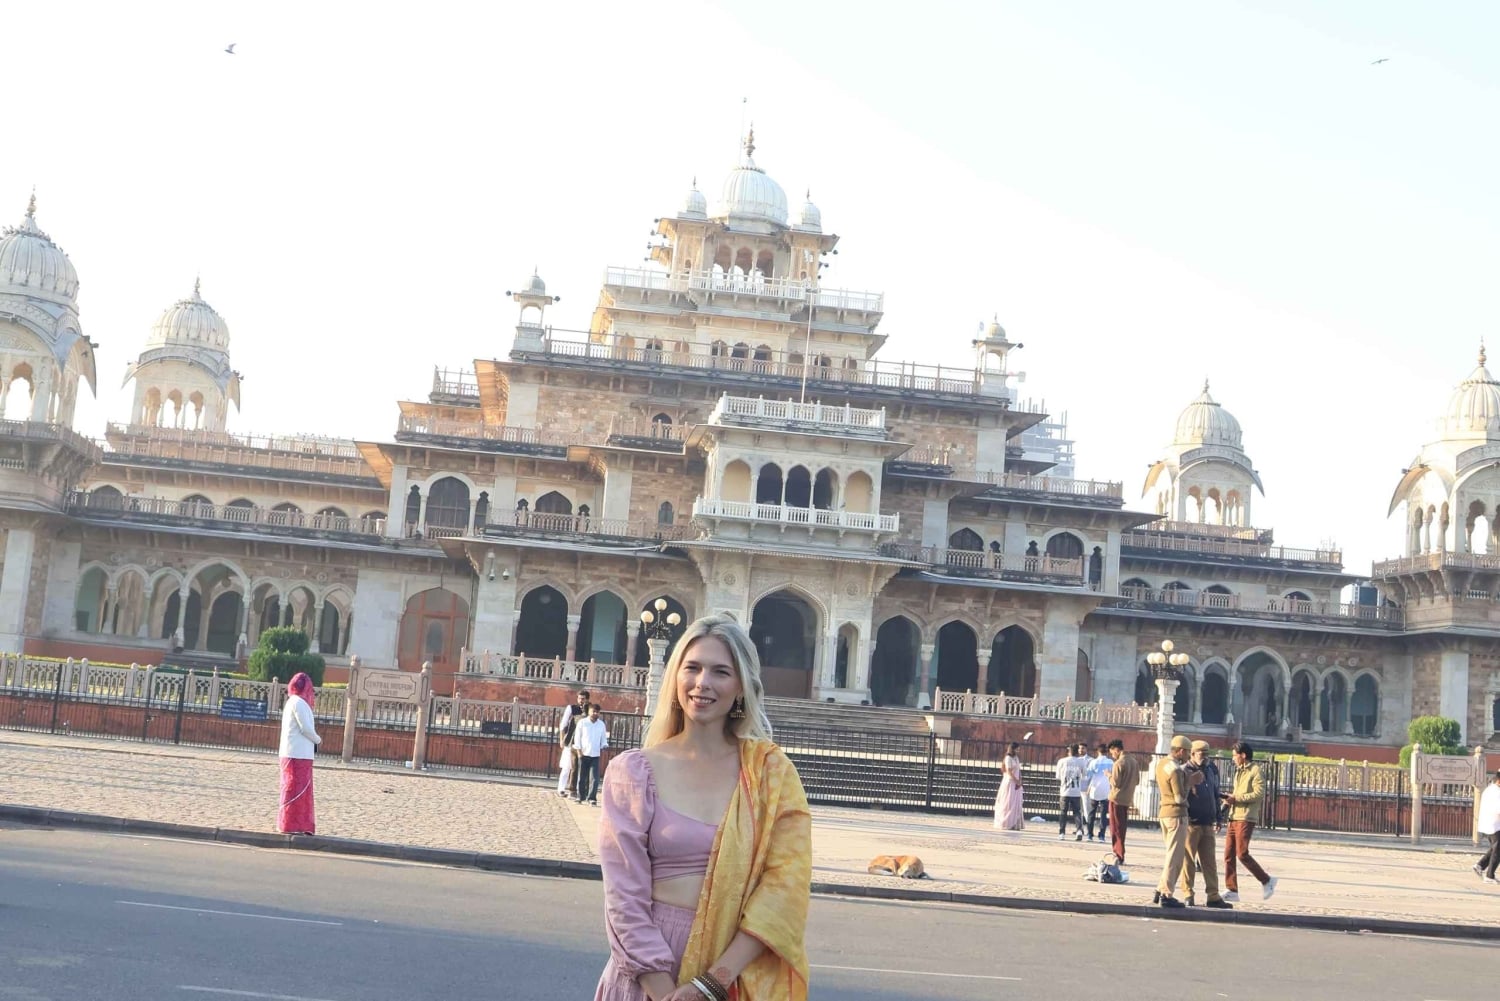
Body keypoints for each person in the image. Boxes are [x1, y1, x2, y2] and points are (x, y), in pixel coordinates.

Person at [594, 614, 811, 1001]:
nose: (702, 683)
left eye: (721, 672)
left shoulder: (769, 774)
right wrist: (663, 992)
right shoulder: (634, 772)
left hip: (731, 975)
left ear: (741, 686)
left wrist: (711, 983)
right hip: (645, 974)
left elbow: (784, 888)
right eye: (691, 668)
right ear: (675, 676)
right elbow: (623, 898)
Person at [1222, 740, 1278, 902]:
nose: (1233, 758)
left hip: (1246, 816)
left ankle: (1266, 880)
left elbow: (1259, 794)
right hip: (1234, 815)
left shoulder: (1255, 771)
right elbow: (1238, 792)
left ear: (1243, 755)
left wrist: (1236, 798)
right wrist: (1228, 801)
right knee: (1228, 854)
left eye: (1235, 755)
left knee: (1242, 853)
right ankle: (1231, 889)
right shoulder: (1239, 771)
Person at [1179, 740, 1231, 908]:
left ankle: (1213, 895)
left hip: (1207, 822)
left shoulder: (1211, 769)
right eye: (1202, 754)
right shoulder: (1184, 771)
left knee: (1209, 862)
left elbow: (1215, 793)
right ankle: (1188, 893)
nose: (1205, 757)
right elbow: (1180, 795)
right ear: (1192, 753)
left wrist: (1218, 816)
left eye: (1207, 754)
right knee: (1188, 861)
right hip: (1191, 822)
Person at [1153, 734, 1199, 908]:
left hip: (1164, 813)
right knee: (1175, 857)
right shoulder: (1176, 770)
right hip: (1177, 814)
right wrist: (1190, 781)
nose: (1188, 757)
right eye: (1188, 753)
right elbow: (1180, 798)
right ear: (1180, 751)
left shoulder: (1162, 764)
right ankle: (1166, 894)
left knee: (1170, 854)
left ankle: (1159, 890)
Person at [277, 672, 321, 835]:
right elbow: (306, 728)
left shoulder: (292, 702)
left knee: (294, 788)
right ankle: (293, 824)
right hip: (297, 754)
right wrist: (318, 740)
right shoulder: (299, 703)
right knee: (296, 790)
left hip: (295, 753)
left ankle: (294, 824)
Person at [1106, 739, 1139, 864]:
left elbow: (1115, 783)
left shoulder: (1119, 763)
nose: (1112, 755)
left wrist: (1108, 775)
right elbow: (1137, 781)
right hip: (1127, 798)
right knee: (1122, 827)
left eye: (1112, 753)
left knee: (1116, 828)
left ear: (1116, 750)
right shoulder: (1134, 762)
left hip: (1116, 798)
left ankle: (1118, 853)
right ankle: (1120, 852)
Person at [573, 703, 610, 806]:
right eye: (593, 711)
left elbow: (603, 739)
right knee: (582, 777)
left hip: (595, 754)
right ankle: (580, 796)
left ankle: (592, 798)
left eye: (597, 712)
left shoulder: (601, 724)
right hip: (583, 753)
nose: (595, 713)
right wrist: (579, 751)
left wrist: (604, 745)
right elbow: (578, 738)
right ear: (588, 712)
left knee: (594, 778)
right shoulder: (582, 723)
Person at [558, 688, 591, 799]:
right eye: (579, 698)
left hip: (583, 743)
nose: (581, 701)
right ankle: (561, 789)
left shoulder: (590, 710)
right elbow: (563, 724)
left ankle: (578, 791)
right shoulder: (571, 708)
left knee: (580, 768)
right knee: (567, 766)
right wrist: (562, 739)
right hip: (570, 740)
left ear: (587, 699)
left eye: (583, 699)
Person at [1473, 769, 1500, 883]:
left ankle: (1480, 866)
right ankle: (1489, 876)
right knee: (1498, 850)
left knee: (1495, 848)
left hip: (1488, 824)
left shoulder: (1489, 790)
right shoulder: (1497, 792)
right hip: (1495, 825)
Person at [1056, 745, 1087, 840]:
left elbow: (1058, 776)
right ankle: (1079, 830)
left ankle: (1062, 833)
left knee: (1063, 812)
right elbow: (1084, 775)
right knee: (1077, 812)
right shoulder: (1081, 761)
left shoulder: (1062, 761)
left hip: (1065, 790)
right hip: (1076, 791)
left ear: (1068, 751)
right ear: (1077, 751)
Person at [993, 741, 1025, 831]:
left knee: (1016, 802)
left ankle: (1015, 823)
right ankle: (1007, 822)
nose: (1019, 750)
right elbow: (1009, 771)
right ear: (1013, 748)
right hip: (1010, 782)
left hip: (1016, 782)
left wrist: (1019, 780)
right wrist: (1016, 781)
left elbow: (1018, 770)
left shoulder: (1016, 758)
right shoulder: (1008, 758)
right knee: (1008, 802)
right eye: (1017, 748)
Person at [1085, 743, 1112, 843]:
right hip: (1106, 789)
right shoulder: (1110, 762)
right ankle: (1102, 836)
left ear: (1098, 751)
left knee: (1091, 813)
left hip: (1095, 789)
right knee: (1103, 814)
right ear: (1107, 751)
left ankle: (1090, 835)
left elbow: (1088, 775)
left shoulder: (1093, 762)